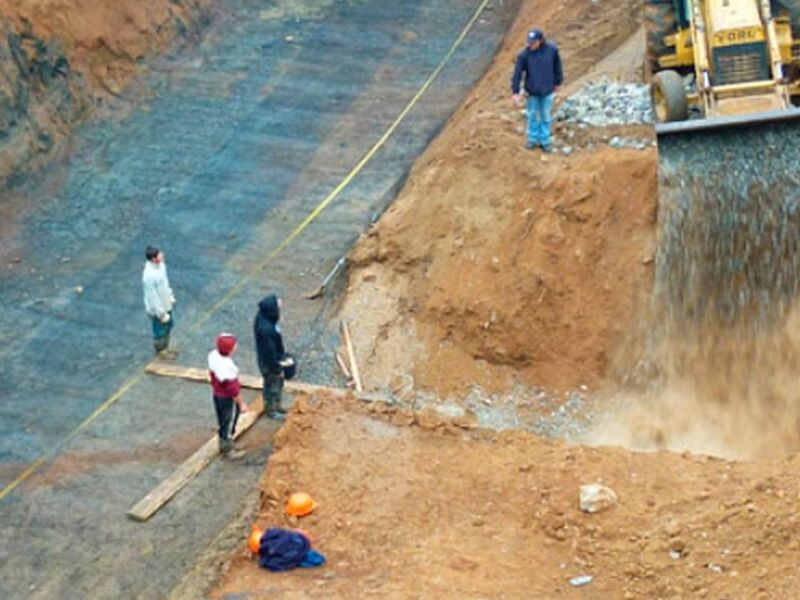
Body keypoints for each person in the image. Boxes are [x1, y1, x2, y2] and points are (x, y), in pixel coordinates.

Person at [511, 28, 563, 152]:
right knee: (532, 115)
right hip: (532, 91)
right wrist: (515, 91)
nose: (531, 45)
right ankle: (532, 139)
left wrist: (558, 82)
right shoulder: (524, 55)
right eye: (530, 42)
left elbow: (558, 67)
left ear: (540, 41)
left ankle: (545, 141)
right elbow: (517, 74)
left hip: (547, 90)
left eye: (533, 42)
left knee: (545, 116)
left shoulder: (552, 51)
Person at [208, 333, 249, 460]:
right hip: (226, 398)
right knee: (228, 422)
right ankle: (227, 448)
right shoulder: (227, 369)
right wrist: (241, 404)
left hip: (217, 394)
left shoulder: (213, 356)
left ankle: (226, 443)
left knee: (223, 421)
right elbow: (234, 391)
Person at [254, 294, 292, 420]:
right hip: (269, 363)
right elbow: (269, 354)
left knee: (277, 384)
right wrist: (277, 370)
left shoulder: (264, 316)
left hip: (273, 358)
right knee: (272, 386)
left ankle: (277, 405)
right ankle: (271, 411)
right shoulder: (266, 330)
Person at [142, 245, 178, 359]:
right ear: (153, 259)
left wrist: (170, 297)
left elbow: (165, 284)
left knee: (168, 326)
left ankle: (166, 348)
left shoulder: (161, 266)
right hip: (158, 309)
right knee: (160, 330)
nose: (162, 255)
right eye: (159, 254)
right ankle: (161, 351)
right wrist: (161, 313)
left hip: (166, 303)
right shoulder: (149, 276)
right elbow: (153, 297)